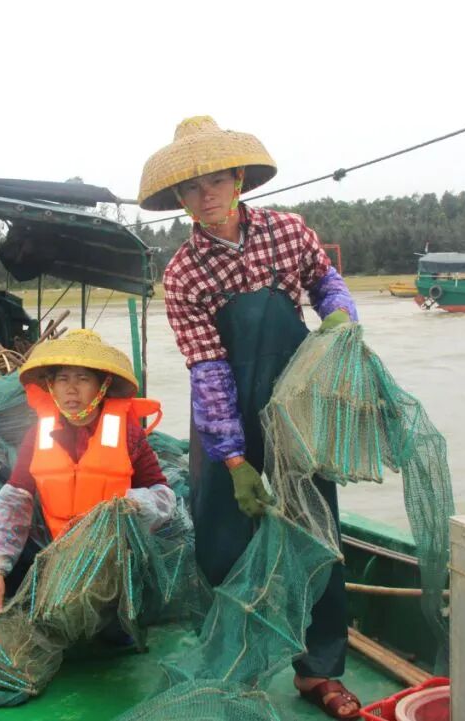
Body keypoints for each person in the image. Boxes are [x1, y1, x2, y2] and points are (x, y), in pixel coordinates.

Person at [138, 116, 361, 718]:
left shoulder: (287, 231)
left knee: (318, 534)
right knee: (221, 544)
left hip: (295, 404)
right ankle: (235, 666)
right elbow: (208, 370)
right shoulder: (183, 273)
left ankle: (319, 671)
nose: (206, 195)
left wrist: (340, 312)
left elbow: (326, 282)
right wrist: (235, 461)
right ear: (180, 199)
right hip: (224, 411)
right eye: (191, 188)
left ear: (238, 179)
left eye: (215, 181)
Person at [0, 329, 176, 611]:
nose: (71, 389)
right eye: (63, 379)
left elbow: (163, 495)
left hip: (115, 558)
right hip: (58, 551)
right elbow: (15, 501)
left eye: (83, 379)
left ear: (102, 386)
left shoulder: (128, 434)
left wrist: (135, 504)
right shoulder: (38, 434)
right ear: (51, 386)